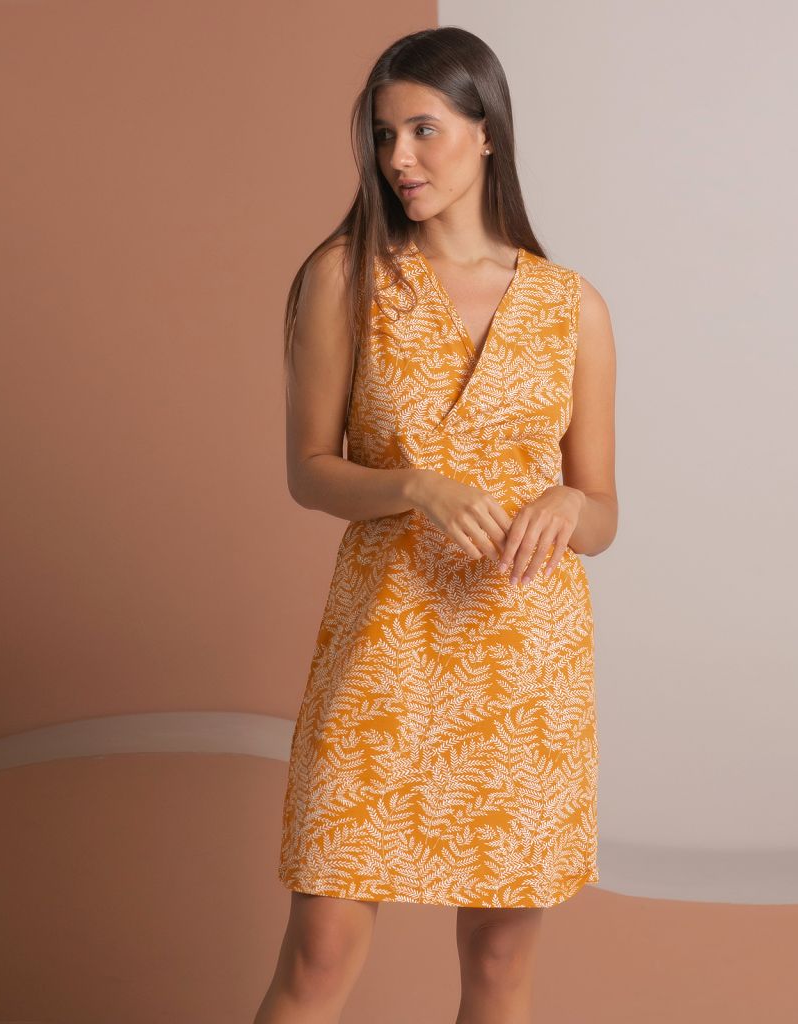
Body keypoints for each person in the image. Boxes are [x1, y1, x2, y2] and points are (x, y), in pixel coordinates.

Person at [255, 26, 617, 1024]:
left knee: (499, 969)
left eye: (423, 129)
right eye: (383, 135)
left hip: (523, 663)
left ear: (486, 131)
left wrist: (568, 504)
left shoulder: (571, 306)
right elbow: (309, 471)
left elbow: (602, 511)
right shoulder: (345, 277)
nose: (398, 158)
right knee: (320, 957)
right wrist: (415, 486)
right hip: (384, 648)